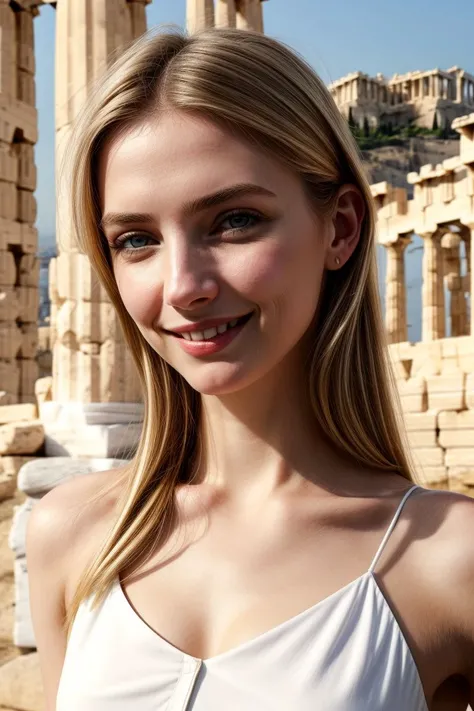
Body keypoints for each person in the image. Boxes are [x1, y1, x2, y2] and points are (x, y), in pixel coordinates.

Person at [26, 27, 474, 711]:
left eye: (234, 220)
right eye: (136, 239)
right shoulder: (70, 534)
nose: (182, 285)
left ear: (342, 227)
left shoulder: (451, 560)